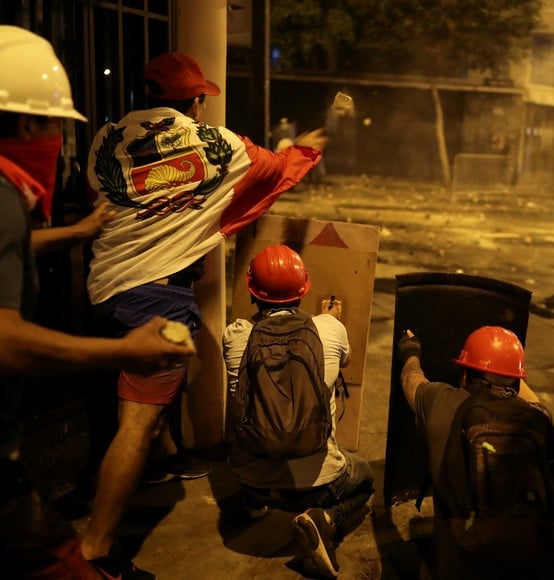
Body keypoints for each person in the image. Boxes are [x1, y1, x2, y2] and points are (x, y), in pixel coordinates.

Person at [80, 51, 328, 576]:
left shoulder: (105, 140)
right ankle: (94, 553)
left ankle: (166, 458)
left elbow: (103, 200)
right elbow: (281, 168)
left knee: (158, 384)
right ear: (196, 99)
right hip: (156, 300)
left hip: (103, 291)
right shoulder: (221, 144)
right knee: (136, 423)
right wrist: (308, 148)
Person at [0, 26, 196, 580]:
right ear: (29, 121)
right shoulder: (4, 199)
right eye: (57, 125)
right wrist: (122, 352)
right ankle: (100, 549)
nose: (60, 140)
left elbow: (13, 247)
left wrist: (75, 231)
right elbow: (4, 340)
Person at [222, 244, 374, 579]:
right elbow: (344, 361)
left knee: (246, 451)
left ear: (252, 290)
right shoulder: (329, 329)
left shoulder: (236, 335)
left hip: (252, 480)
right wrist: (329, 322)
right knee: (364, 477)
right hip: (318, 487)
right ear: (303, 288)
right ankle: (327, 520)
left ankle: (254, 502)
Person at [397, 326, 554, 579]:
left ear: (464, 375)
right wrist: (508, 366)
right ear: (517, 380)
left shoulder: (439, 402)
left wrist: (411, 350)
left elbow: (412, 379)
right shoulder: (539, 419)